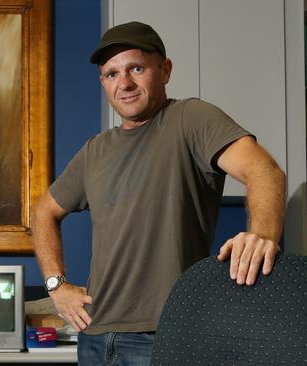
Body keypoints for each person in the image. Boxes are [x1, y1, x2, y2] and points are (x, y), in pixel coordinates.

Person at [32, 21, 286, 365]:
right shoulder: (95, 150)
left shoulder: (191, 119)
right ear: (103, 83)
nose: (124, 83)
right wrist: (56, 287)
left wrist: (262, 234)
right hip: (94, 335)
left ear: (164, 70)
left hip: (165, 334)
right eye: (111, 74)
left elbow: (264, 171)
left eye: (136, 68)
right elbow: (43, 212)